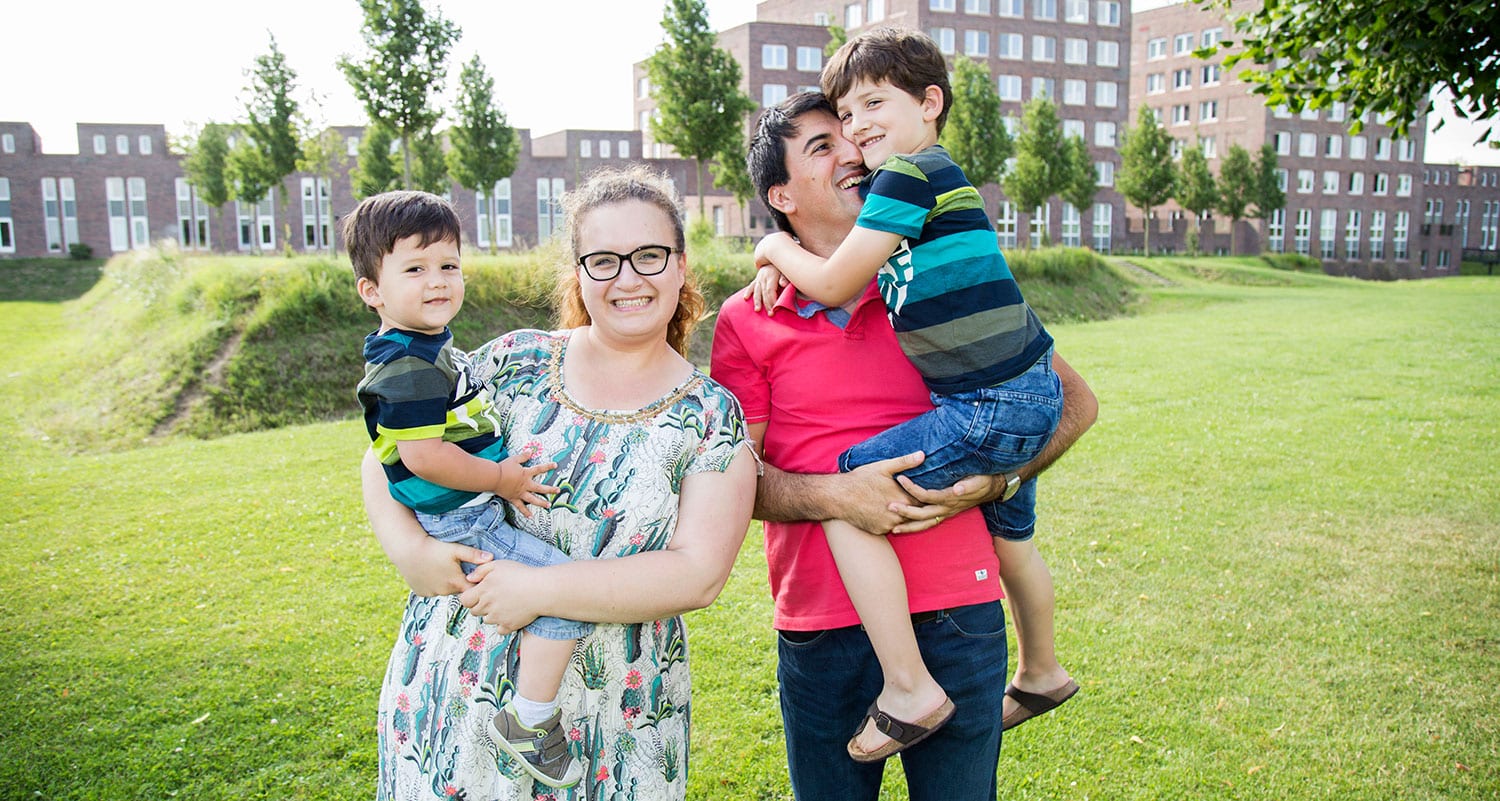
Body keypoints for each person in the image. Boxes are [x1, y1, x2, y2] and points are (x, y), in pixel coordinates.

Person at [711, 91, 1096, 799]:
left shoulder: (938, 275)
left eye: (854, 135)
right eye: (824, 146)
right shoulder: (746, 318)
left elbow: (1071, 402)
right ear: (781, 194)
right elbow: (732, 478)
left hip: (960, 611)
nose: (854, 152)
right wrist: (835, 495)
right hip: (820, 621)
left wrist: (1000, 481)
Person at [361, 166, 757, 801]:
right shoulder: (513, 362)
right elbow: (392, 454)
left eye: (649, 256)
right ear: (579, 272)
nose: (628, 278)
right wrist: (410, 551)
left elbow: (698, 574)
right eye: (604, 260)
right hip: (456, 686)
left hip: (617, 715)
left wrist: (536, 588)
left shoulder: (709, 417)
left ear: (681, 267)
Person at [348, 190, 588, 788]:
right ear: (372, 291)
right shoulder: (409, 366)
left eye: (448, 265)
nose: (438, 281)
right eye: (415, 268)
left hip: (462, 516)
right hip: (465, 523)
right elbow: (424, 456)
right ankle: (529, 720)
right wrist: (503, 478)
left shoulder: (419, 350)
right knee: (559, 591)